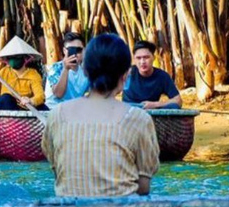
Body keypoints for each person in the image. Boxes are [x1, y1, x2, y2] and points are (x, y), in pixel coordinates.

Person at [41, 34, 159, 197]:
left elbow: (58, 174)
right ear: (125, 75)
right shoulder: (139, 119)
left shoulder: (57, 116)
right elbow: (143, 187)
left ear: (86, 71)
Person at [0, 36, 48, 111]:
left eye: (17, 57)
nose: (14, 59)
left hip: (27, 109)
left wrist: (31, 101)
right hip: (8, 109)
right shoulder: (4, 72)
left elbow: (40, 96)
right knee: (6, 98)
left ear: (25, 58)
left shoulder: (33, 74)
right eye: (11, 57)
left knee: (43, 107)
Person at [123, 40, 182, 110]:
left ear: (153, 58)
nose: (142, 62)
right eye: (138, 58)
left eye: (146, 57)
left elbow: (178, 101)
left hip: (151, 111)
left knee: (174, 107)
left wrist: (155, 104)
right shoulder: (126, 73)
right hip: (129, 110)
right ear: (134, 59)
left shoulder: (162, 76)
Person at [44, 32, 90, 109]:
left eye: (78, 50)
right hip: (53, 112)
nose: (75, 54)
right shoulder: (56, 68)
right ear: (64, 51)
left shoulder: (86, 72)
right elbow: (58, 93)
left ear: (84, 51)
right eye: (71, 50)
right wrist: (66, 69)